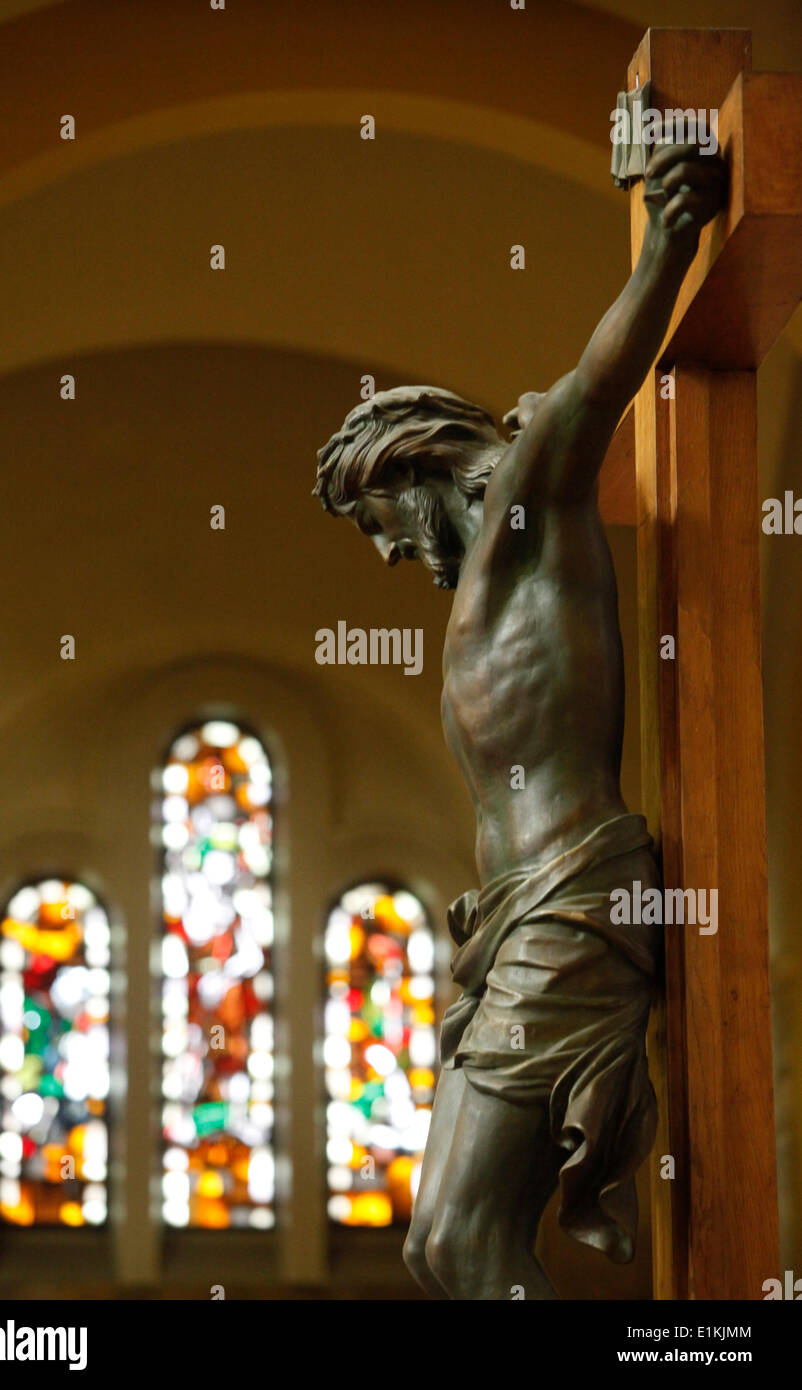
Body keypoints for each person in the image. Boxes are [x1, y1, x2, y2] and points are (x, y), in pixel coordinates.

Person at [314, 140, 726, 1299]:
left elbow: (594, 388)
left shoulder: (523, 517)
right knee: (427, 1247)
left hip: (570, 908)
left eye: (381, 520)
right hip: (508, 925)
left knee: (462, 1242)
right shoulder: (496, 566)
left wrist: (664, 243)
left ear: (418, 464)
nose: (391, 550)